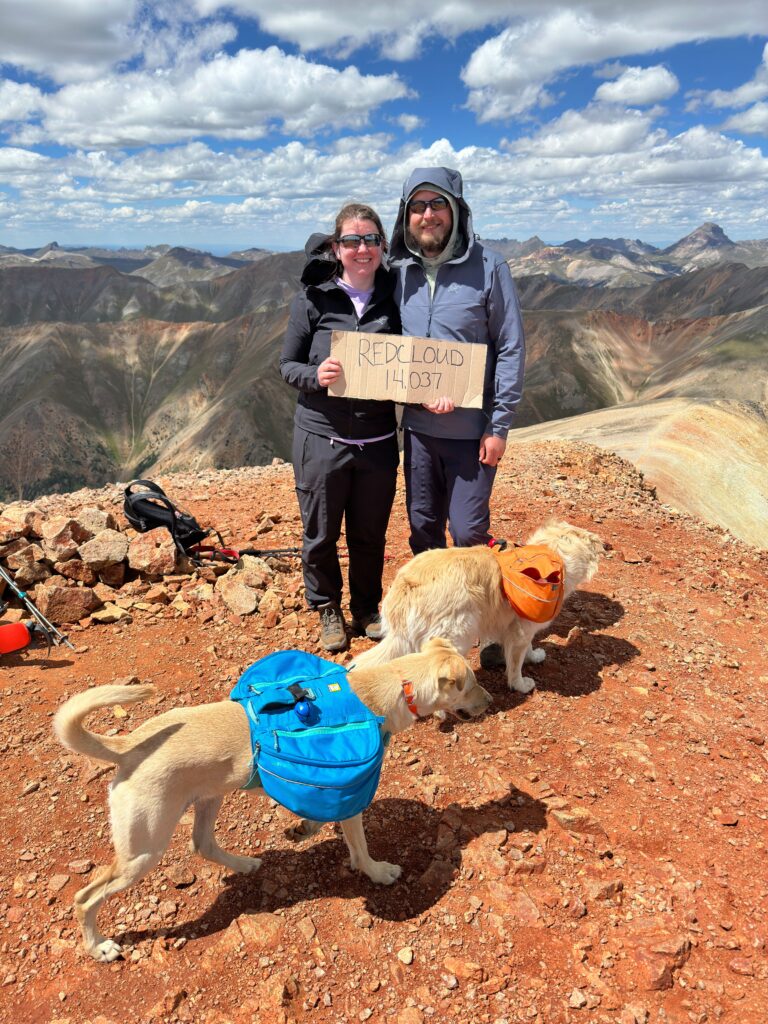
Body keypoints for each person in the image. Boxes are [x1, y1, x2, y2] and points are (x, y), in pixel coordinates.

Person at [388, 166, 525, 667]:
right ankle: (433, 624)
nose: (428, 215)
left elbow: (510, 346)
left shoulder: (490, 267)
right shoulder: (396, 270)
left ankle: (489, 624)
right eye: (418, 206)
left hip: (471, 432)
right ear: (406, 215)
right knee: (424, 528)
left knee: (468, 531)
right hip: (419, 430)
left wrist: (500, 424)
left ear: (456, 210)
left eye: (437, 204)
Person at [280, 203, 400, 652]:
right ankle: (327, 607)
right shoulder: (313, 299)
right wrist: (316, 376)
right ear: (337, 247)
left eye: (370, 239)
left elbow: (412, 365)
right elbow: (286, 365)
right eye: (351, 240)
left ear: (383, 246)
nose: (361, 248)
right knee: (321, 533)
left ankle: (367, 607)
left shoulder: (396, 298)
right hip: (321, 437)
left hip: (378, 442)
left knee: (369, 534)